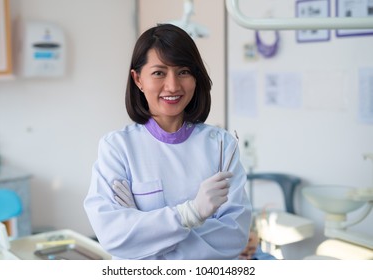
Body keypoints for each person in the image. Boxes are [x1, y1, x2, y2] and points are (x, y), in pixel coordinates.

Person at [84, 23, 252, 260]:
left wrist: (145, 230)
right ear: (138, 79)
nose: (173, 86)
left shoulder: (221, 146)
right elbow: (113, 236)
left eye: (183, 71)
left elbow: (234, 238)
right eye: (159, 73)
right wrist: (190, 214)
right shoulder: (118, 148)